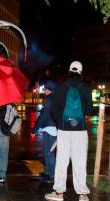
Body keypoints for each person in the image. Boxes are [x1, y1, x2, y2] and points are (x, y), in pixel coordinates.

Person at [45, 61, 92, 201]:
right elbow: (89, 110)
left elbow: (53, 110)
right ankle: (82, 194)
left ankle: (59, 193)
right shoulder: (86, 88)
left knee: (62, 161)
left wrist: (61, 122)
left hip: (64, 129)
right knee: (80, 161)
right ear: (81, 71)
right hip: (81, 130)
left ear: (69, 70)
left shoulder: (60, 87)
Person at [33, 80, 57, 183]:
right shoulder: (54, 99)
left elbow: (44, 116)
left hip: (50, 128)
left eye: (46, 89)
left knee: (49, 152)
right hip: (52, 128)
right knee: (47, 151)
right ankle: (48, 172)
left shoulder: (49, 100)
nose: (44, 90)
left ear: (49, 89)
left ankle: (52, 175)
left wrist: (35, 128)